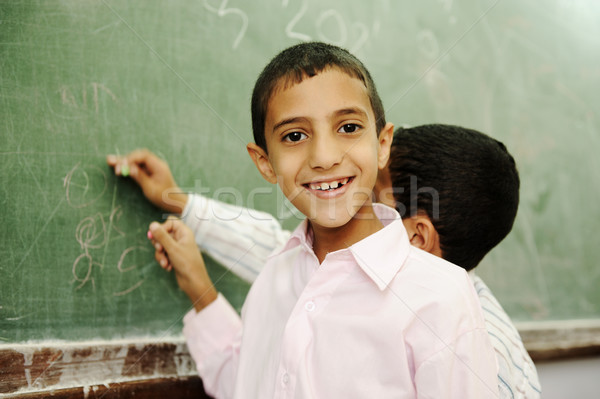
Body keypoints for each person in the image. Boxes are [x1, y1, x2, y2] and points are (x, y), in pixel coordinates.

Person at [109, 42, 498, 398]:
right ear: (265, 163)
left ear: (382, 145)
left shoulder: (440, 298)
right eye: (294, 136)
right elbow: (247, 385)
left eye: (348, 127)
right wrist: (198, 287)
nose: (324, 156)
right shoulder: (275, 277)